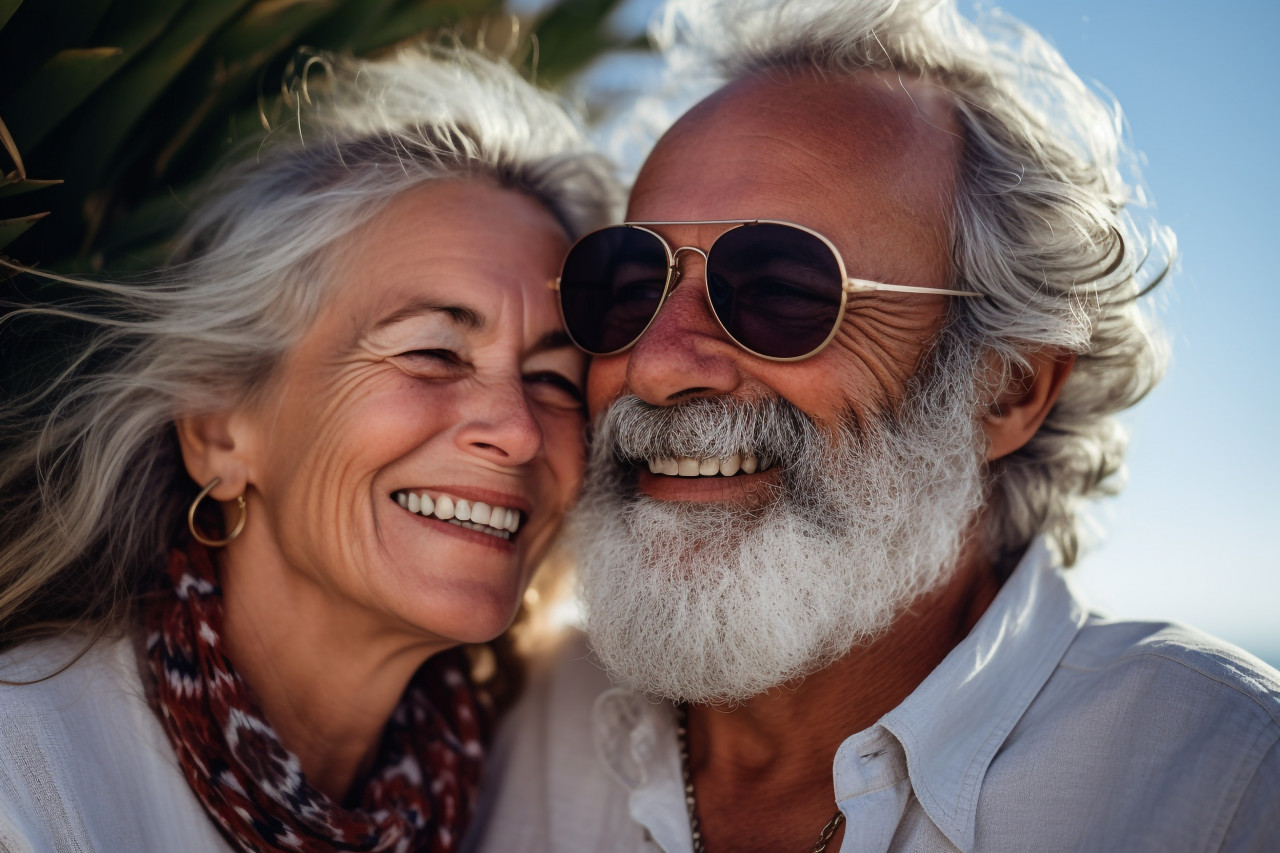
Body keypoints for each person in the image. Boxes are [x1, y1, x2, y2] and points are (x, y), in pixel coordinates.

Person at [467, 1, 1280, 851]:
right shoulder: (495, 723)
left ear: (1006, 389)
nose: (658, 364)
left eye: (783, 289)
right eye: (631, 285)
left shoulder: (1225, 779)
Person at [0, 44, 617, 852]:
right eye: (433, 352)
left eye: (555, 381)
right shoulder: (33, 781)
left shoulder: (529, 787)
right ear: (220, 429)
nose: (520, 428)